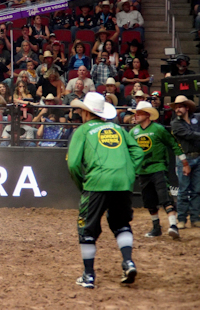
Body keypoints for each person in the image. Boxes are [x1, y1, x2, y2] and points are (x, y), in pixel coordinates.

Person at [67, 92, 143, 289]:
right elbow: (137, 151)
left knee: (86, 229)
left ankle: (89, 275)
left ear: (85, 112)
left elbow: (74, 164)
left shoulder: (82, 131)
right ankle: (128, 262)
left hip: (97, 182)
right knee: (120, 223)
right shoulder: (118, 128)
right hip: (122, 182)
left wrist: (82, 185)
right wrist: (127, 171)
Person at [129, 101, 186, 239]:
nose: (136, 116)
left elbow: (173, 143)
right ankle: (156, 227)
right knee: (149, 201)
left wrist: (184, 161)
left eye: (139, 113)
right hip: (143, 171)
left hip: (158, 168)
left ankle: (173, 225)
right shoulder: (133, 132)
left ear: (147, 115)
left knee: (164, 197)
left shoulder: (158, 129)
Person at [169, 95, 200, 229]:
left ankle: (194, 217)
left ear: (187, 108)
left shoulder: (197, 118)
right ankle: (181, 219)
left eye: (180, 106)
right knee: (183, 190)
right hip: (184, 158)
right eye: (176, 107)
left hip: (197, 156)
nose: (178, 109)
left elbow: (191, 134)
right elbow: (188, 134)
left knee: (197, 190)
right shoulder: (175, 123)